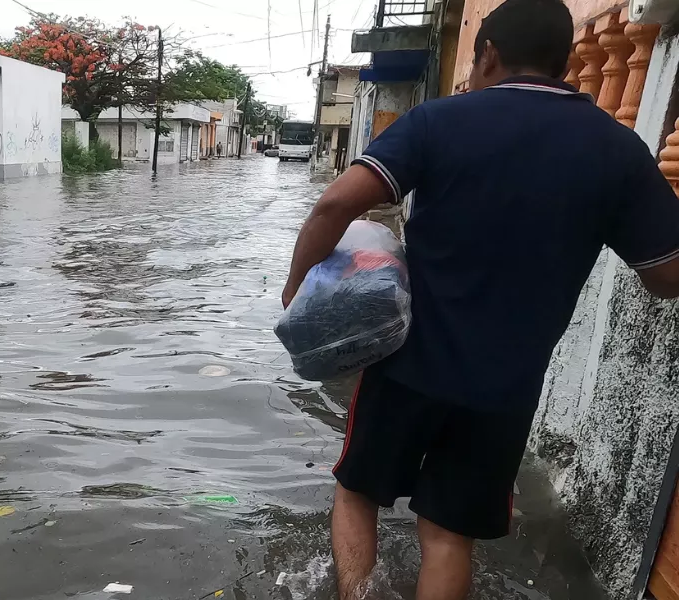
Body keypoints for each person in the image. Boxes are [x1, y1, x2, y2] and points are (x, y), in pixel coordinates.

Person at [279, 0, 679, 597]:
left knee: (356, 493)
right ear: (565, 61)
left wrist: (298, 294)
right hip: (506, 389)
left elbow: (335, 204)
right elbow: (665, 275)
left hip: (407, 366)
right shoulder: (617, 150)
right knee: (446, 534)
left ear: (487, 53)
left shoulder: (439, 121)